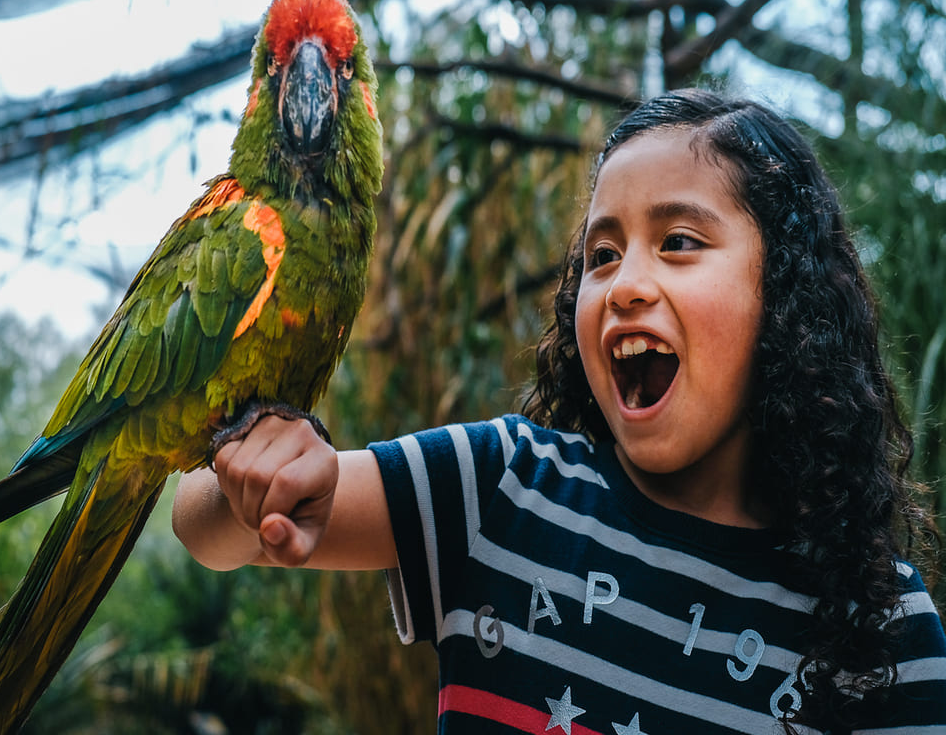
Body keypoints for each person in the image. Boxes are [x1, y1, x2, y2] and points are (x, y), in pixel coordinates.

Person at [172, 89, 946, 733]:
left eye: (678, 241)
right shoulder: (502, 488)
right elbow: (200, 525)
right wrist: (260, 475)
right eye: (602, 256)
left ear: (785, 295)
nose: (624, 284)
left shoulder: (888, 633)